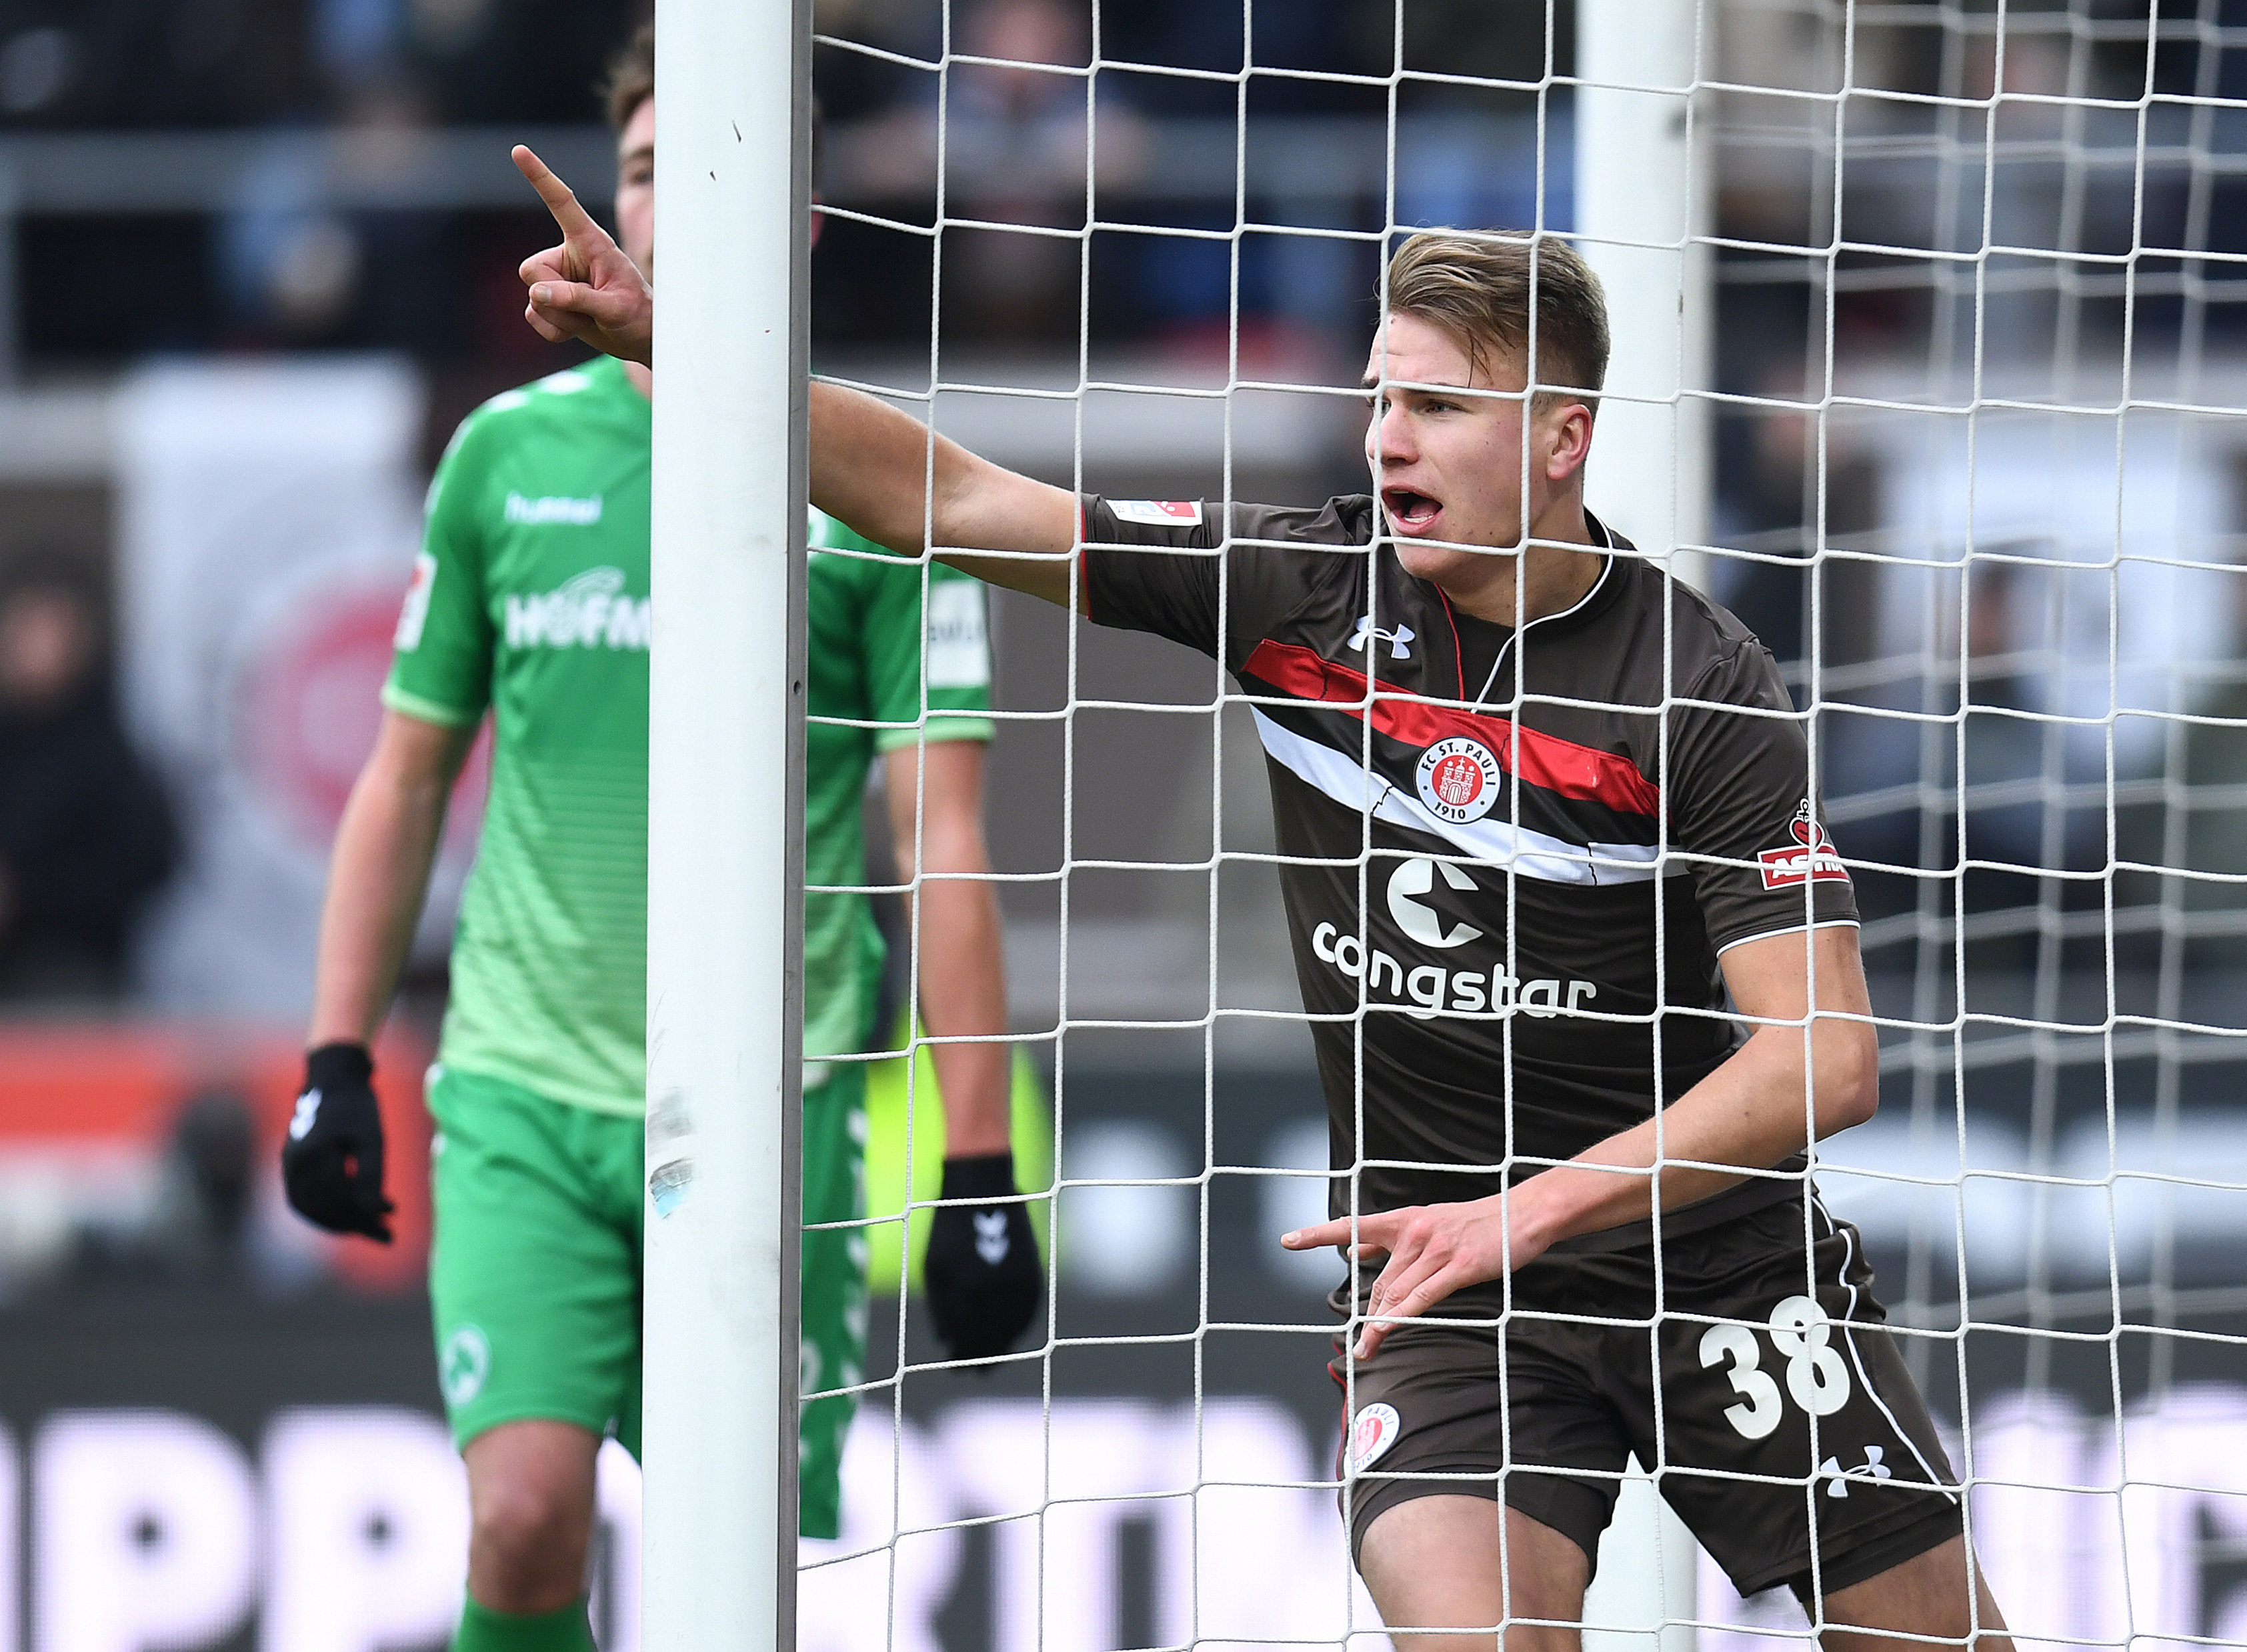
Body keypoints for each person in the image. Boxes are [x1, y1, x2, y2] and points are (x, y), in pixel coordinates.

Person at [512, 149, 2020, 1643]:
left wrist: (1534, 1208)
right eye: (1378, 398)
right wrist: (679, 342)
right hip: (1443, 1289)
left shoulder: (1702, 688)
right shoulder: (1301, 600)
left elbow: (1822, 1058)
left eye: (1436, 406)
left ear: (1561, 439)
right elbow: (954, 499)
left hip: (1719, 1272)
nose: (1386, 440)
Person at [282, 29, 1041, 1652]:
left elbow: (944, 839)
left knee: (730, 1580)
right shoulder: (505, 459)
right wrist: (336, 1051)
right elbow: (407, 775)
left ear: (802, 218)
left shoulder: (882, 497)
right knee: (523, 1513)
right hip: (521, 1090)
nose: (662, 203)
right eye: (641, 169)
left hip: (771, 1110)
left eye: (707, 169)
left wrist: (977, 1163)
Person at [0, 571, 178, 999]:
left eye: (47, 630)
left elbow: (147, 858)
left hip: (69, 969)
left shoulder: (105, 745)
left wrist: (29, 893)